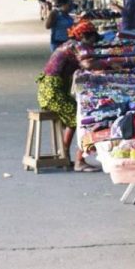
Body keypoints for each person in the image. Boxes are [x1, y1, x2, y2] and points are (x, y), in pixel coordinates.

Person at [37, 20, 104, 172]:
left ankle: (64, 154)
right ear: (85, 36)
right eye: (93, 38)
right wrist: (109, 63)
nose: (94, 42)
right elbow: (87, 65)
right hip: (52, 92)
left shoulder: (71, 44)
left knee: (77, 114)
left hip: (52, 89)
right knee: (81, 117)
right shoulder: (76, 45)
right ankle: (77, 160)